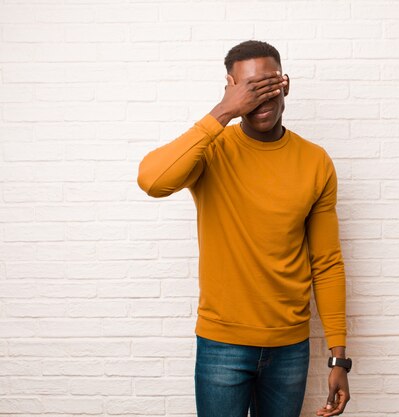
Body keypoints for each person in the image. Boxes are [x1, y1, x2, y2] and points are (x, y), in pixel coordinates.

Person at [136, 40, 351, 417]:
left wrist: (338, 359)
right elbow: (152, 181)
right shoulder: (211, 150)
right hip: (223, 344)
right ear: (230, 88)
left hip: (290, 347)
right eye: (247, 89)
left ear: (285, 84)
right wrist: (222, 112)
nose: (259, 98)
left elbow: (327, 262)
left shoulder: (315, 162)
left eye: (267, 85)